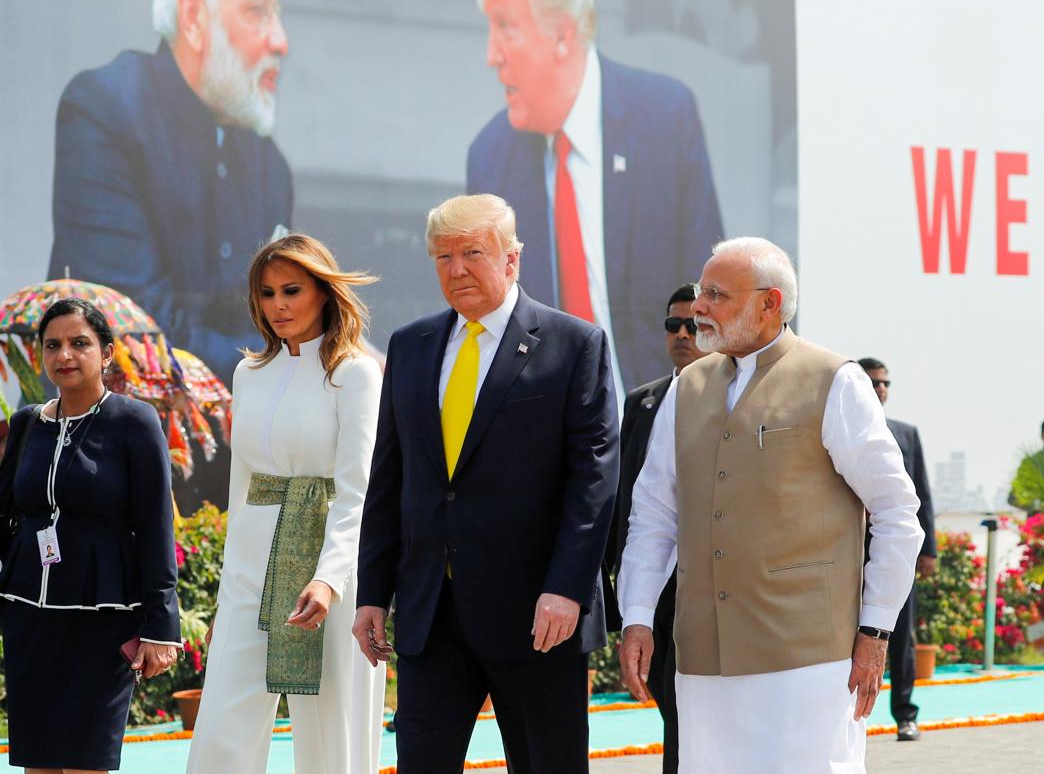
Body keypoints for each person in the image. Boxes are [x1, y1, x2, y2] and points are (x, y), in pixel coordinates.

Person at [619, 238, 923, 772]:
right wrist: (638, 617)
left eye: (716, 294)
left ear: (770, 303)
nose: (699, 308)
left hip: (810, 662)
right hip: (703, 663)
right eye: (700, 292)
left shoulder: (833, 380)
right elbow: (653, 515)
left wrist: (875, 632)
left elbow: (897, 512)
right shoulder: (685, 388)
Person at [353, 194, 619, 773]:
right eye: (442, 257)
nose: (456, 270)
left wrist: (567, 588)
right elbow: (390, 479)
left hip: (537, 616)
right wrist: (372, 591)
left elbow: (593, 482)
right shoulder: (412, 345)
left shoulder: (574, 345)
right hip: (432, 613)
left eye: (472, 253)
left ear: (512, 259)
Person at [466, 0, 723, 392]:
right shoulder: (489, 158)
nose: (491, 54)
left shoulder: (665, 120)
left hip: (664, 426)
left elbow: (714, 301)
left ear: (562, 32)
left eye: (505, 26)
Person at [47, 0, 292, 387]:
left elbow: (280, 319)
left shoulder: (270, 164)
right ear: (194, 16)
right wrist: (288, 365)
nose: (280, 40)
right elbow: (132, 338)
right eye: (258, 12)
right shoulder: (103, 112)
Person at [186, 235, 384, 772]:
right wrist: (232, 578)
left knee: (331, 734)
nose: (278, 305)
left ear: (323, 291)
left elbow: (356, 488)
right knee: (223, 726)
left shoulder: (356, 373)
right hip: (250, 570)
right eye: (267, 292)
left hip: (330, 571)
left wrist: (330, 577)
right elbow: (241, 484)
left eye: (291, 290)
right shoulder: (248, 374)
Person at [0, 298, 180, 772]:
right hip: (28, 617)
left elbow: (157, 523)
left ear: (106, 353)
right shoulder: (26, 425)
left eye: (80, 343)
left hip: (104, 619)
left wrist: (161, 627)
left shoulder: (134, 421)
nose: (65, 354)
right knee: (38, 761)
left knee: (85, 760)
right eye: (53, 345)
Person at [604, 283, 706, 773]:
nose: (682, 334)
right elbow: (626, 493)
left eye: (694, 325)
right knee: (667, 698)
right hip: (654, 582)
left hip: (709, 582)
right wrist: (612, 574)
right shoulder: (643, 401)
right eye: (673, 325)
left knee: (693, 707)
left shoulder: (734, 397)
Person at [857, 356, 936, 742]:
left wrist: (928, 550)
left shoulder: (906, 434)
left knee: (901, 635)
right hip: (848, 553)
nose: (880, 389)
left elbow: (921, 493)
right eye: (872, 383)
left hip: (895, 553)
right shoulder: (840, 430)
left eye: (885, 383)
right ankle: (849, 717)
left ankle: (905, 714)